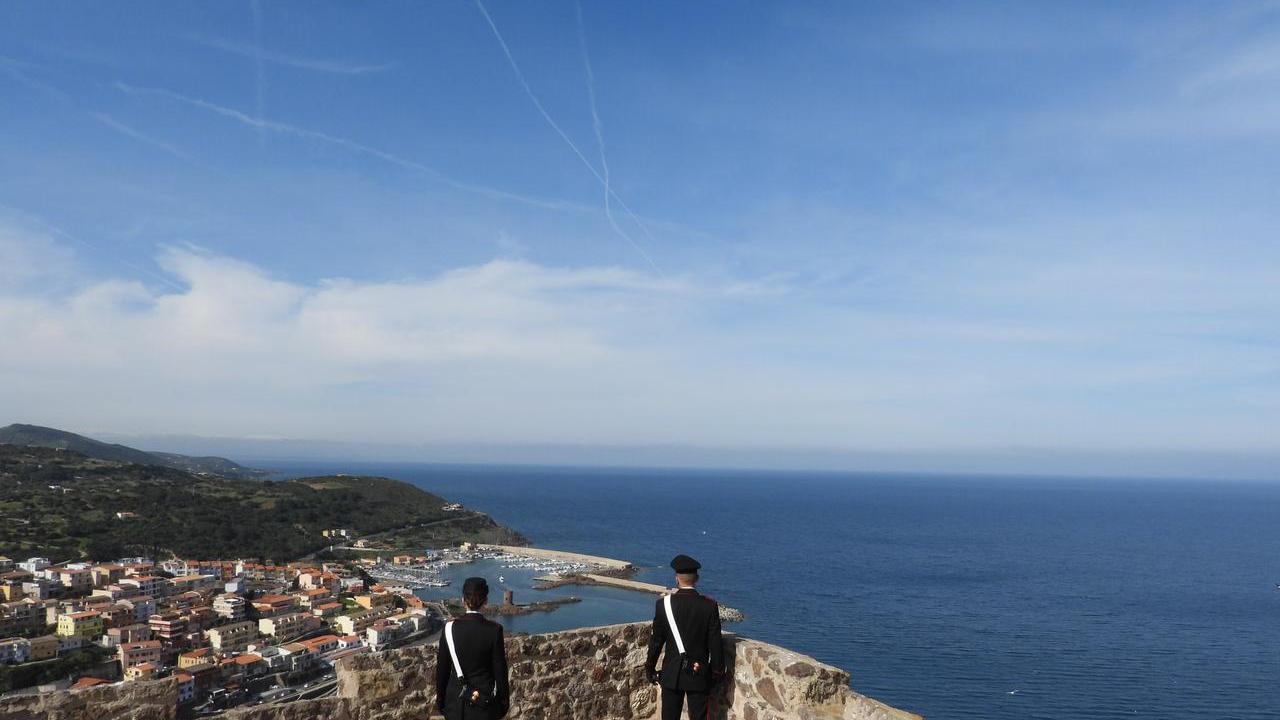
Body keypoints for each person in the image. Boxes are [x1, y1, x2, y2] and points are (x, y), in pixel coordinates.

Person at [645, 554, 725, 720]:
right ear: (697, 578)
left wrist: (650, 667)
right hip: (698, 671)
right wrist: (716, 673)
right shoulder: (709, 606)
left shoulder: (663, 605)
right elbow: (715, 644)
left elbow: (656, 641)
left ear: (677, 579)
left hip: (671, 672)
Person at [435, 577, 510, 719]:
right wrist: (503, 703)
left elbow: (442, 670)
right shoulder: (494, 630)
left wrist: (441, 700)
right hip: (484, 704)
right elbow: (500, 671)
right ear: (486, 600)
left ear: (463, 600)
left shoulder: (449, 628)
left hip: (455, 705)